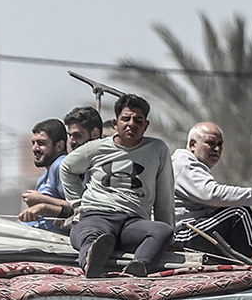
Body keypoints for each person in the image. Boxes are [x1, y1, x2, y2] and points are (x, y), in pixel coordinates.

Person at [55, 93, 175, 278]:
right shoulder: (96, 148)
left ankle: (139, 266)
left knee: (162, 231)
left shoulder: (157, 149)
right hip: (97, 215)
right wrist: (77, 203)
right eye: (126, 119)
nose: (131, 124)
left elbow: (164, 196)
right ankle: (90, 262)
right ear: (115, 123)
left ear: (146, 126)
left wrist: (167, 235)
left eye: (138, 120)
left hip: (133, 222)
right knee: (89, 236)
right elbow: (67, 167)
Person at [172, 122, 252, 262]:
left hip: (195, 230)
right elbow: (213, 194)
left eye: (220, 144)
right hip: (182, 235)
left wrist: (250, 231)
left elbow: (212, 208)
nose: (217, 149)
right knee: (239, 212)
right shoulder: (184, 164)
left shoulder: (194, 167)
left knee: (239, 217)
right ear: (193, 144)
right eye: (210, 143)